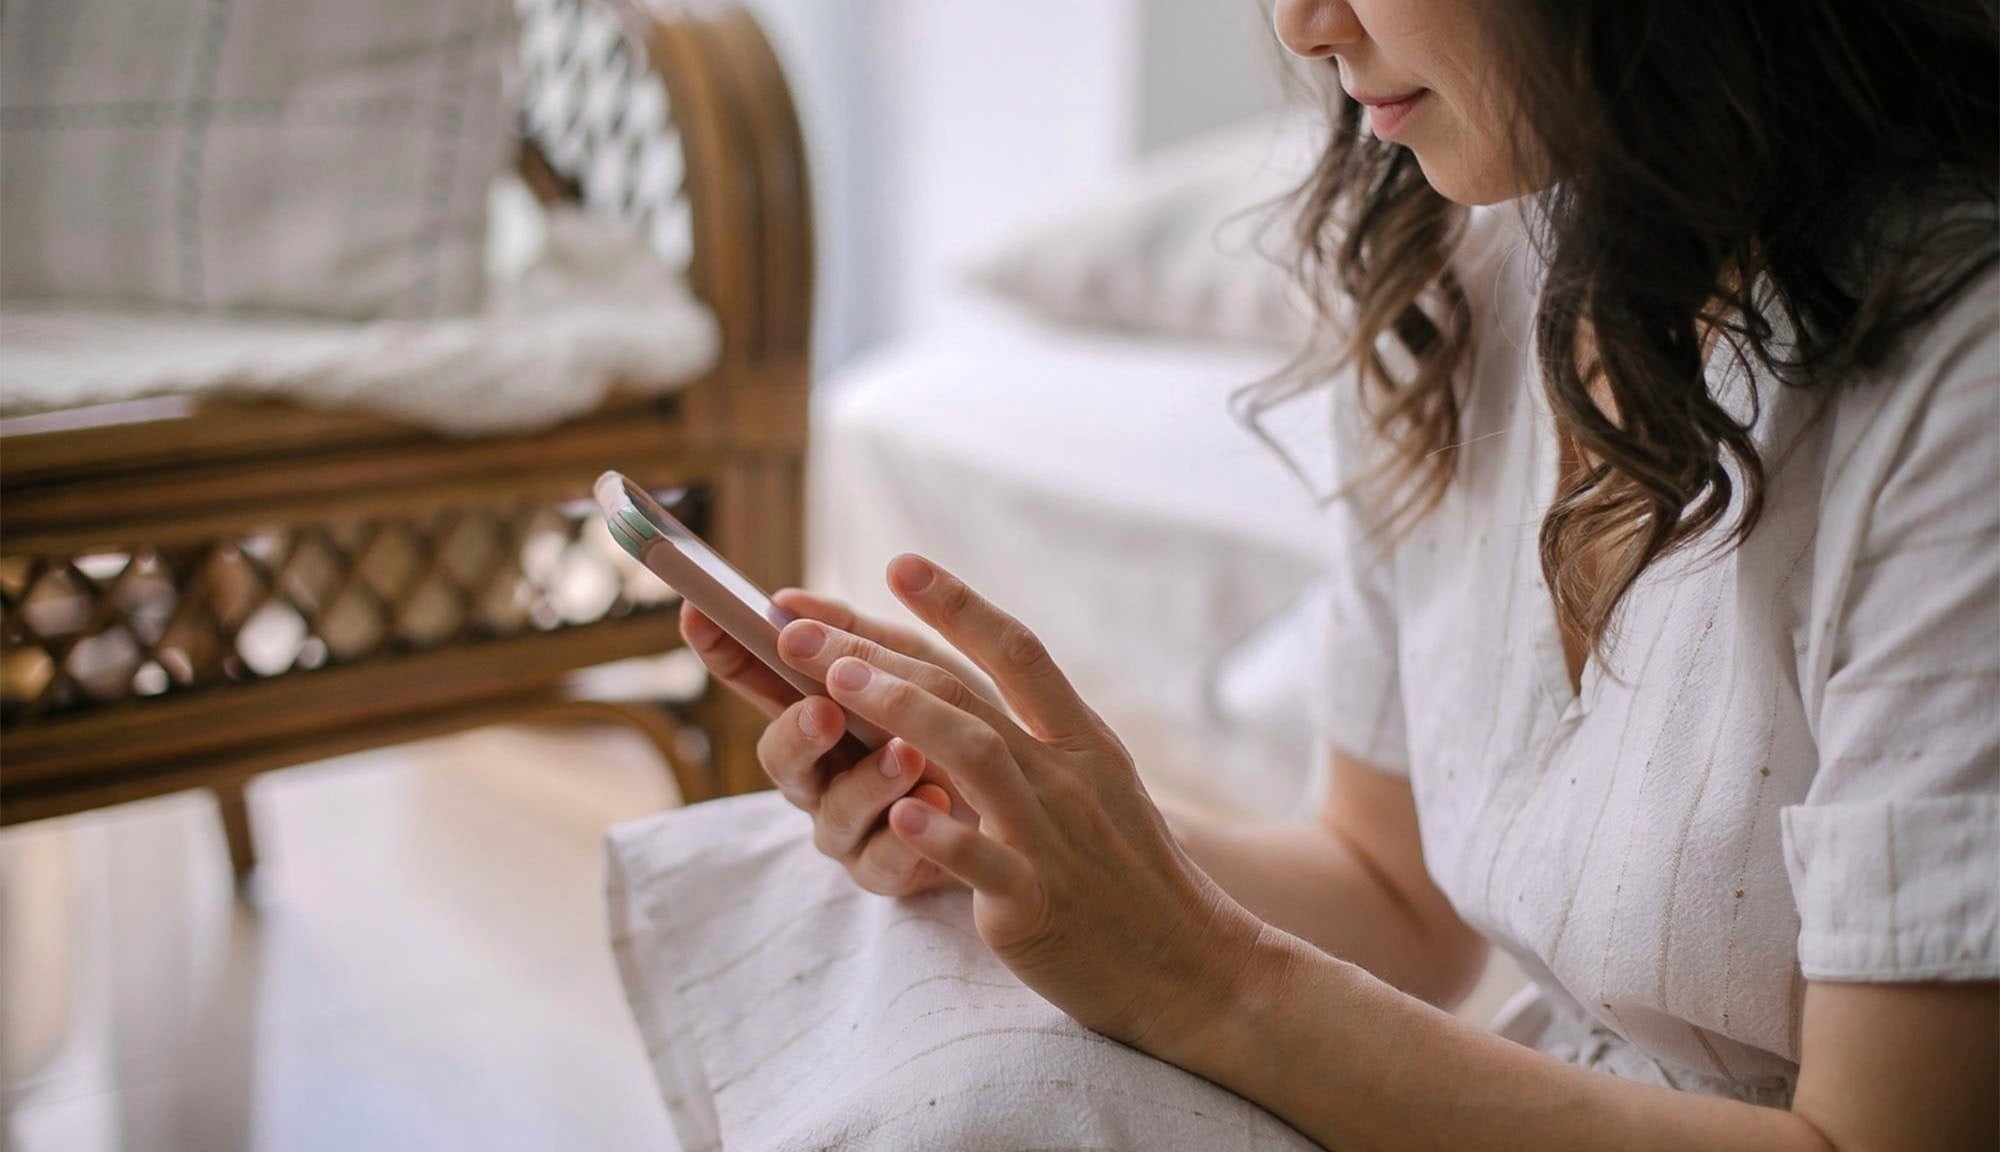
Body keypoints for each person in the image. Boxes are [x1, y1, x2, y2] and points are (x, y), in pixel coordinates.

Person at [676, 0, 1998, 1147]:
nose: (1300, 24)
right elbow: (1391, 894)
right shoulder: (1468, 271)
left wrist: (1207, 980)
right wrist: (1034, 829)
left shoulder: (1960, 379)